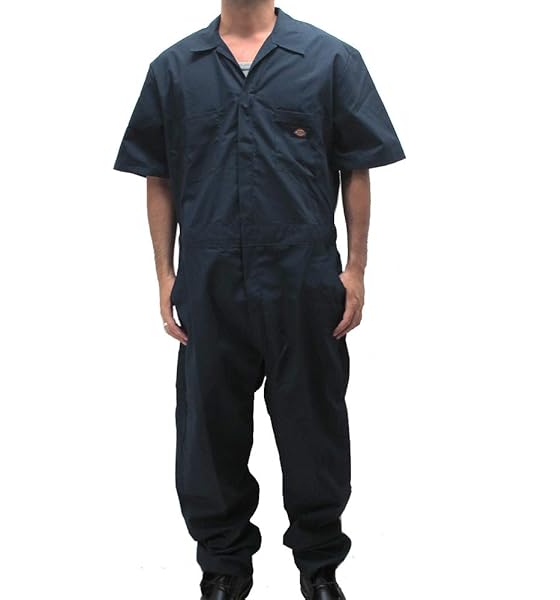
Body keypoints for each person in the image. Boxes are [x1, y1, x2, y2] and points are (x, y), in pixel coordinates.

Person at [113, 2, 405, 598]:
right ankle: (223, 569)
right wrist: (164, 274)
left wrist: (356, 268)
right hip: (210, 281)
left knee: (314, 427)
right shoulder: (175, 68)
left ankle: (319, 568)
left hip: (304, 280)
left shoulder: (330, 60)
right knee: (209, 431)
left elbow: (356, 168)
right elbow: (158, 175)